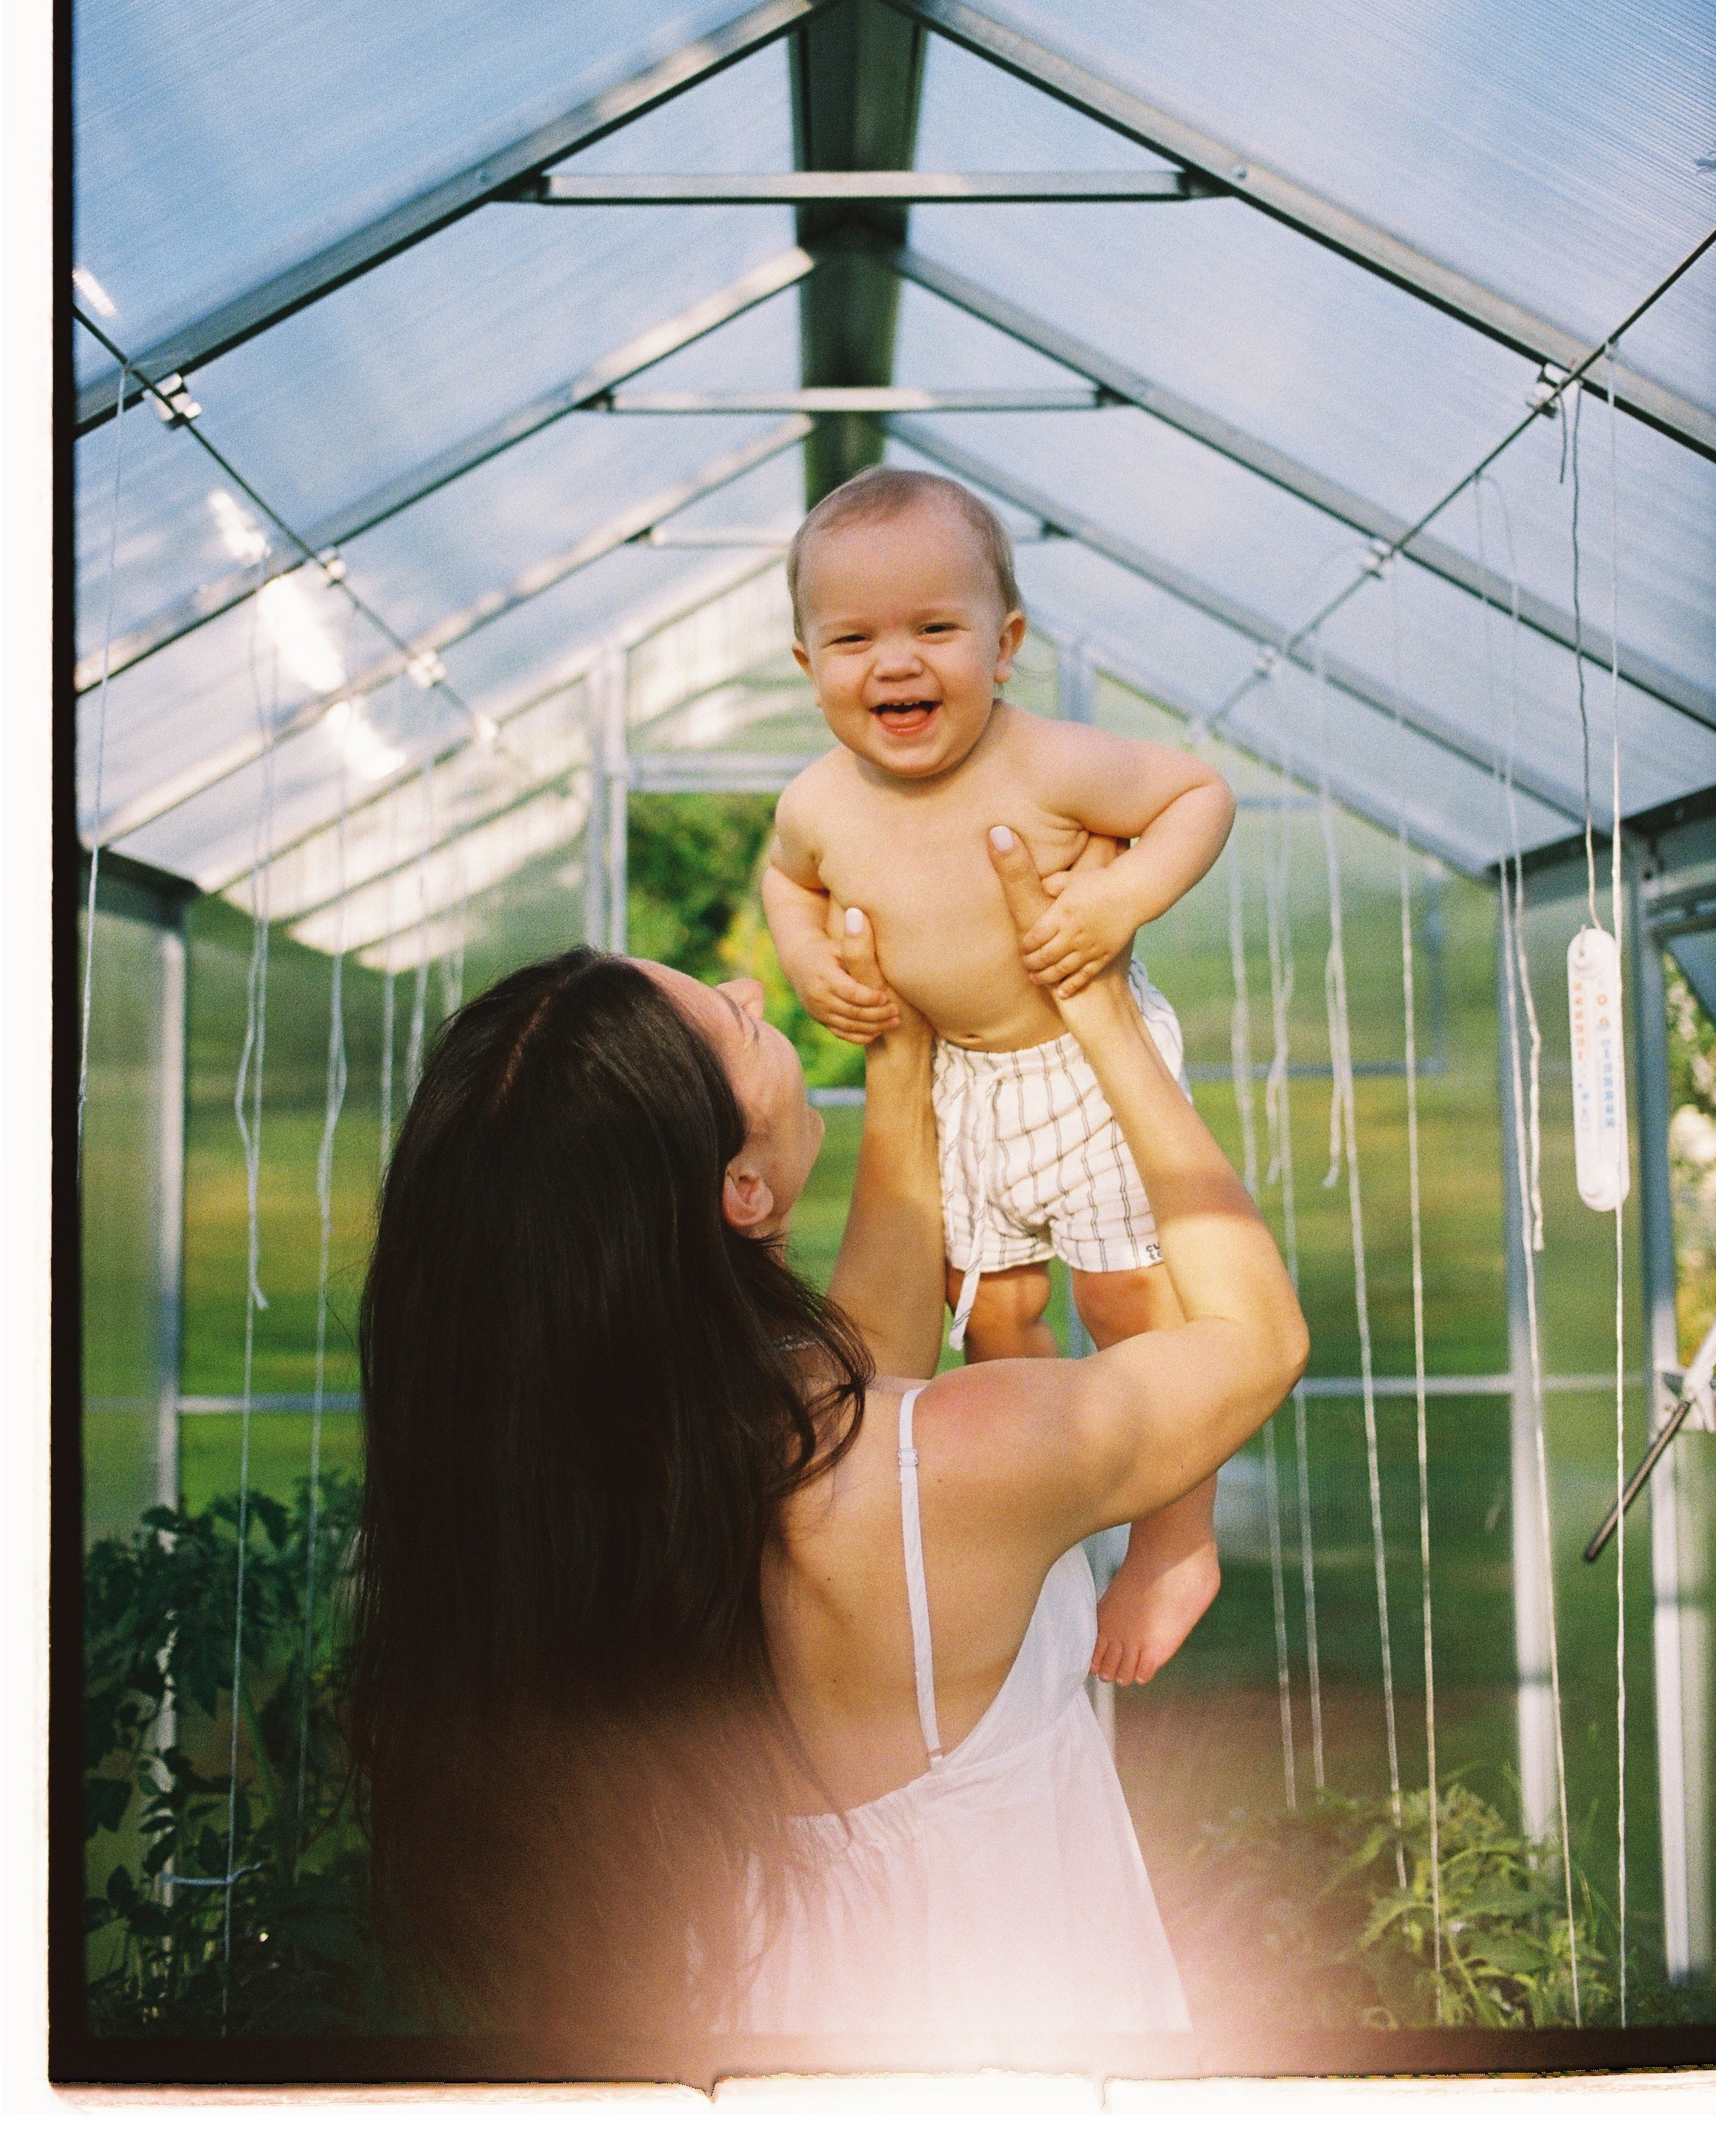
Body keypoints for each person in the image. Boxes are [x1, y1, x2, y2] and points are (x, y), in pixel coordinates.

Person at [349, 828, 1306, 2066]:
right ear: (741, 1194)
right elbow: (1255, 1336)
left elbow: (863, 1361)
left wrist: (902, 1057)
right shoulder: (958, 1464)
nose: (756, 991)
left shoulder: (598, 1474)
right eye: (738, 1024)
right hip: (1015, 2062)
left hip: (756, 2044)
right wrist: (1102, 1008)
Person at [763, 466, 1238, 1684]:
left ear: (1004, 641)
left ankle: (1175, 1536)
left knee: (1131, 1299)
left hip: (1086, 1065)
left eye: (934, 628)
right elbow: (786, 882)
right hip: (962, 1084)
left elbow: (1198, 792)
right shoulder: (817, 802)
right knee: (993, 1309)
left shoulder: (1050, 764)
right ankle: (1061, 1489)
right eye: (853, 637)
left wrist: (1122, 893)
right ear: (807, 658)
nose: (895, 663)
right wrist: (811, 958)